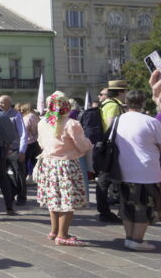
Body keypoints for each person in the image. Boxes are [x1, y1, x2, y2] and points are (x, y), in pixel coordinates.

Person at [35, 92, 92, 246]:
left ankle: (54, 231)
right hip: (66, 165)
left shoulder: (42, 122)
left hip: (48, 164)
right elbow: (82, 145)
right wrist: (88, 145)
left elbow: (41, 143)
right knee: (67, 200)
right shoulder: (71, 124)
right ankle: (63, 234)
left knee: (54, 199)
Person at [114, 90, 161, 251]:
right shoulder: (151, 121)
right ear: (143, 102)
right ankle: (137, 240)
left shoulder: (118, 120)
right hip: (146, 171)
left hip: (123, 169)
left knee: (127, 205)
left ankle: (129, 238)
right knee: (144, 206)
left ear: (126, 102)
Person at [95, 80, 127, 224]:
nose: (126, 94)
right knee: (104, 180)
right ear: (120, 92)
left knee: (104, 180)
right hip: (110, 148)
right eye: (125, 91)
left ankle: (105, 211)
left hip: (104, 147)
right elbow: (112, 128)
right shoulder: (113, 106)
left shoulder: (107, 104)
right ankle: (105, 212)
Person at [0, 95, 28, 206]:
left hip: (15, 149)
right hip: (1, 149)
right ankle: (12, 192)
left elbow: (23, 133)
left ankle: (22, 197)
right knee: (3, 174)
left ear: (9, 103)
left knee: (19, 173)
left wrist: (22, 150)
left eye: (2, 102)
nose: (0, 104)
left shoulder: (16, 115)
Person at [21, 103, 41, 179]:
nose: (21, 111)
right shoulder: (35, 117)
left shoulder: (28, 117)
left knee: (24, 162)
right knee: (35, 161)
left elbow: (25, 129)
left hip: (28, 142)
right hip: (35, 141)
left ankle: (23, 179)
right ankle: (37, 177)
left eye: (22, 109)